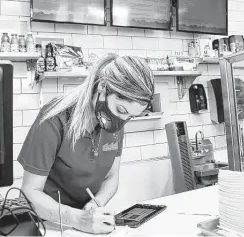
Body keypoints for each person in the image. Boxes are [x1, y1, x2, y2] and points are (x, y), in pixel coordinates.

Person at [18, 53, 155, 235]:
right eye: (121, 109)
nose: (122, 121)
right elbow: (29, 193)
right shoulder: (54, 119)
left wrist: (94, 206)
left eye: (130, 116)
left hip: (85, 226)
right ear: (103, 87)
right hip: (46, 224)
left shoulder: (114, 121)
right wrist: (77, 219)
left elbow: (111, 178)